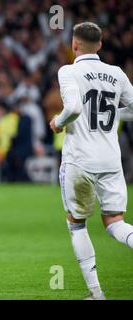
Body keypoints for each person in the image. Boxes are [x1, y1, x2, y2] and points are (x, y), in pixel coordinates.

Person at [50, 22, 133, 300]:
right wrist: (113, 117)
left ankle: (96, 293)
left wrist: (58, 122)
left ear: (74, 45)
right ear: (100, 44)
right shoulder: (116, 73)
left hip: (80, 161)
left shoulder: (69, 71)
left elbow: (73, 108)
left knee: (76, 223)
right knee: (115, 223)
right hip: (110, 159)